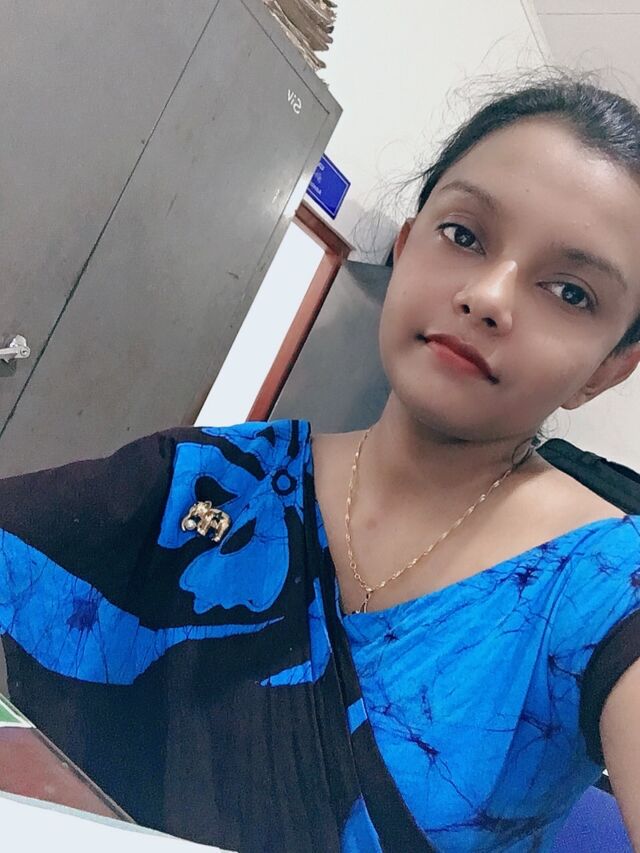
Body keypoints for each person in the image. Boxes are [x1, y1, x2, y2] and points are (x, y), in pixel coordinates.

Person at [2, 72, 640, 852]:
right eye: (464, 235)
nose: (489, 296)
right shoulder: (215, 479)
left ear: (608, 368)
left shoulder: (605, 588)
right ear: (405, 248)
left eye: (570, 292)